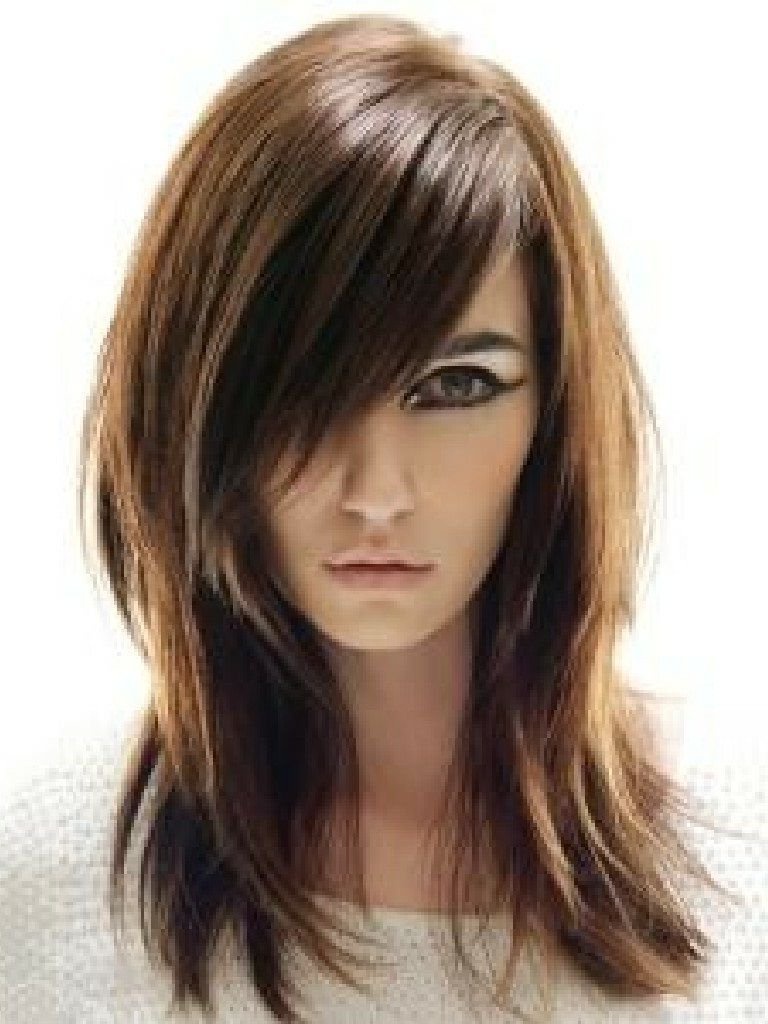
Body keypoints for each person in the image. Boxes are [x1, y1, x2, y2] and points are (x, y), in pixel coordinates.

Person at [2, 13, 766, 1024]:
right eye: (304, 390)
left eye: (456, 386)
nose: (376, 491)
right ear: (194, 402)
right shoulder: (49, 879)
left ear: (553, 413)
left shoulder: (742, 855)